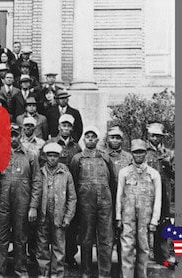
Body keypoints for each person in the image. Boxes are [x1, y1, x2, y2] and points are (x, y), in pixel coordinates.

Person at [0, 125, 41, 278]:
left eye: (15, 135)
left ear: (20, 135)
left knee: (21, 237)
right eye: (9, 135)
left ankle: (20, 270)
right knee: (1, 237)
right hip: (3, 203)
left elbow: (37, 182)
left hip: (22, 203)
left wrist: (33, 206)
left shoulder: (30, 155)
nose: (12, 138)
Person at [69, 126, 115, 278]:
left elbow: (112, 182)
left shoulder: (106, 158)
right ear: (84, 139)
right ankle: (86, 272)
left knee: (105, 238)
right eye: (87, 136)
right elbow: (74, 183)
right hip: (85, 204)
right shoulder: (77, 159)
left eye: (93, 136)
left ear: (97, 139)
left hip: (105, 204)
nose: (90, 138)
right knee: (86, 238)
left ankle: (105, 273)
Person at [116, 139, 162, 278]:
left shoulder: (154, 174)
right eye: (136, 152)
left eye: (141, 152)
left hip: (145, 217)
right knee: (127, 248)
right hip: (127, 216)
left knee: (144, 248)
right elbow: (119, 195)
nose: (139, 155)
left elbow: (158, 198)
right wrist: (118, 216)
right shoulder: (124, 173)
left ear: (146, 153)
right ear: (131, 153)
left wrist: (155, 220)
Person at [36, 142, 77, 278]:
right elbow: (34, 193)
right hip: (43, 215)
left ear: (59, 157)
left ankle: (57, 275)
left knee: (59, 248)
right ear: (46, 157)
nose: (52, 158)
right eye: (50, 156)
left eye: (55, 156)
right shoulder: (40, 172)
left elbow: (72, 198)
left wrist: (67, 217)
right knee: (42, 247)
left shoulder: (65, 173)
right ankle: (43, 274)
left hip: (59, 216)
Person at [47, 114, 82, 267]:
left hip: (71, 188)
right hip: (53, 188)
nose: (66, 128)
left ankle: (70, 255)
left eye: (69, 126)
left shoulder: (76, 147)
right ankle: (50, 258)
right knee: (51, 224)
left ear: (72, 128)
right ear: (59, 127)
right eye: (63, 125)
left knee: (71, 223)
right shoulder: (51, 144)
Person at [145, 123, 175, 266]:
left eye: (158, 135)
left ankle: (162, 255)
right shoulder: (143, 151)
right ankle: (144, 254)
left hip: (164, 192)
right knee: (145, 222)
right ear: (148, 136)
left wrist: (169, 165)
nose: (155, 138)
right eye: (153, 135)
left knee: (163, 222)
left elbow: (175, 175)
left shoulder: (168, 153)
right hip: (147, 192)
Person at [102, 126, 133, 266]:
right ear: (107, 139)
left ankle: (123, 266)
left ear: (122, 140)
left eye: (117, 137)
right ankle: (105, 268)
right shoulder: (102, 155)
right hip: (105, 200)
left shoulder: (128, 157)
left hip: (124, 200)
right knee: (106, 233)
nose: (114, 140)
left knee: (123, 232)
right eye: (112, 137)